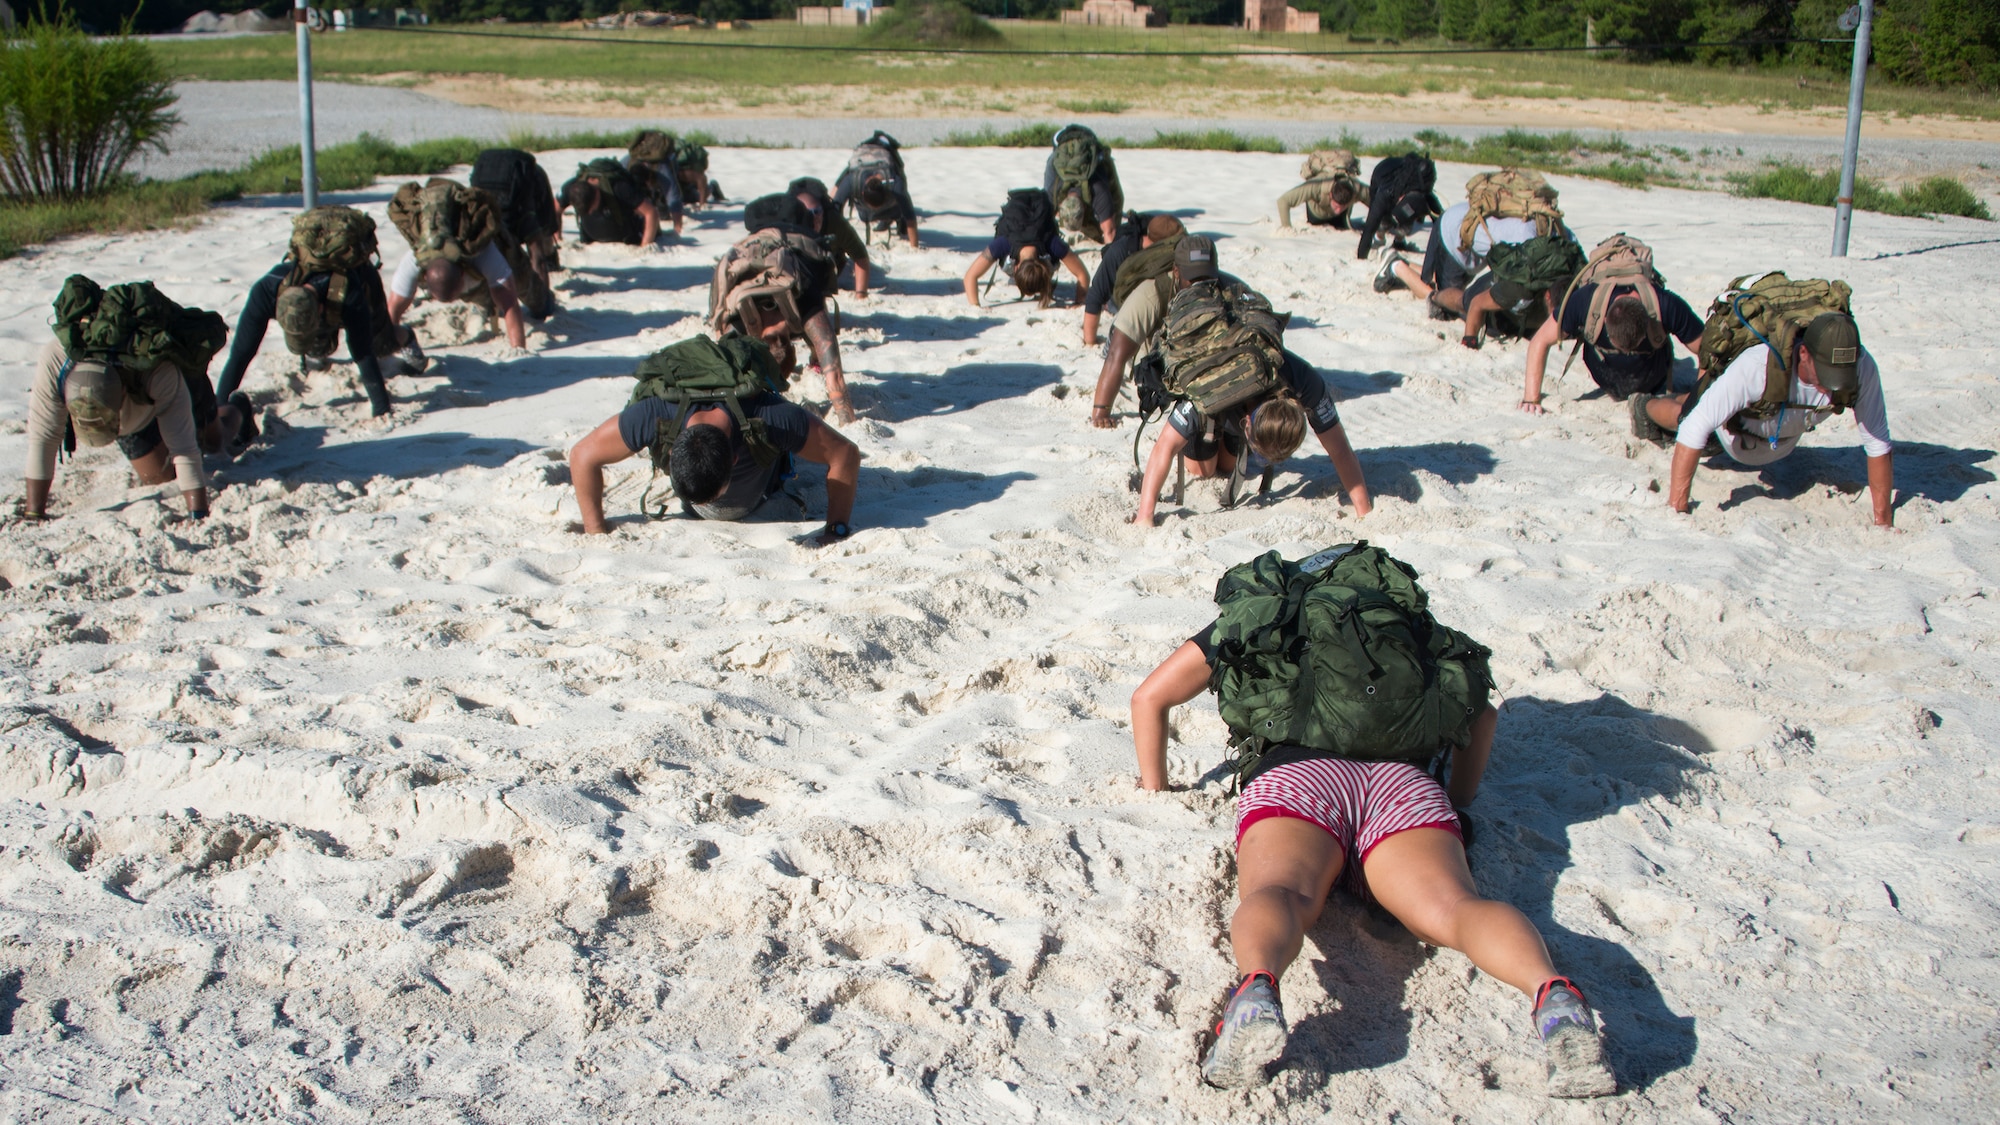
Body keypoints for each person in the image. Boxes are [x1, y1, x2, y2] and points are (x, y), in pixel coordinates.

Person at [1127, 547, 1615, 1097]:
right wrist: (1457, 798)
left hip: (1299, 778)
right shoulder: (1406, 624)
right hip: (1402, 785)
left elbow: (1149, 698)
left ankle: (1259, 986)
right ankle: (1552, 995)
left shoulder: (1264, 613)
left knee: (1282, 890)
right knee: (1456, 910)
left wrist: (1155, 789)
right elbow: (1483, 713)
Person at [1130, 239, 1371, 525]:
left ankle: (1227, 442)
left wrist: (1364, 511)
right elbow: (1164, 448)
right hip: (1212, 405)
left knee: (1229, 464)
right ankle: (1211, 440)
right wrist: (1144, 516)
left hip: (1234, 415)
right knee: (1204, 470)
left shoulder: (1303, 381)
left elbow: (1340, 449)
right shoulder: (1210, 390)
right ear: (1247, 424)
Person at [567, 325, 861, 544]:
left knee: (798, 453)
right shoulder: (654, 415)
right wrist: (595, 529)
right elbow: (582, 456)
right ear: (672, 452)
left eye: (710, 498)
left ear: (733, 459)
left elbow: (846, 454)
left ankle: (769, 343)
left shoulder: (769, 416)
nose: (707, 504)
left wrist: (835, 529)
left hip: (764, 490)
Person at [1637, 311, 1895, 528]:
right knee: (1684, 417)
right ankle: (1642, 406)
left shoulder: (1862, 368)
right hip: (1730, 434)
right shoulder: (1757, 365)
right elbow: (1695, 427)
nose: (1831, 388)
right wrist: (1677, 509)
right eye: (1826, 376)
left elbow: (1878, 444)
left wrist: (1883, 522)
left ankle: (1702, 396)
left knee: (1708, 403)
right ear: (1803, 353)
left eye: (1840, 378)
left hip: (1778, 437)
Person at [23, 278, 230, 523]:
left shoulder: (159, 372)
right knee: (161, 478)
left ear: (121, 396)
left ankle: (238, 409)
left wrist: (198, 514)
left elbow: (183, 447)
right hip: (134, 418)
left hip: (183, 384)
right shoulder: (56, 360)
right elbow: (43, 436)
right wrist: (33, 512)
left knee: (215, 442)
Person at [215, 205, 424, 422]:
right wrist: (219, 409)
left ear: (322, 309)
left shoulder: (349, 293)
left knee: (382, 345)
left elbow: (363, 353)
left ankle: (406, 335)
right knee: (317, 348)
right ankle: (315, 347)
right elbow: (240, 354)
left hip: (363, 282)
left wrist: (382, 410)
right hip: (318, 306)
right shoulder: (265, 292)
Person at [710, 194, 855, 424]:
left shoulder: (741, 320)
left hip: (789, 229)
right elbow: (835, 378)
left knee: (819, 334)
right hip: (765, 228)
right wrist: (846, 419)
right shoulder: (800, 308)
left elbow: (724, 367)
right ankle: (814, 360)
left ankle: (814, 358)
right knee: (819, 336)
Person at [1520, 256, 1705, 413]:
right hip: (1604, 373)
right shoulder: (1585, 301)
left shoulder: (1666, 305)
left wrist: (1700, 398)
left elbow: (1707, 349)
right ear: (1606, 321)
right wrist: (1531, 398)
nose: (1625, 352)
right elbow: (1539, 341)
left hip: (1652, 379)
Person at [385, 178, 529, 352]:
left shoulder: (483, 252)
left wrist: (519, 348)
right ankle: (484, 305)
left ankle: (544, 304)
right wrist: (390, 347)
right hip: (463, 265)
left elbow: (509, 302)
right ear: (425, 278)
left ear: (462, 274)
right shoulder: (415, 259)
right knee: (486, 293)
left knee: (530, 291)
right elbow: (393, 308)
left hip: (496, 242)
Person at [1377, 198, 1550, 321]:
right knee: (1445, 306)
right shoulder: (1527, 246)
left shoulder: (1550, 233)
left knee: (1449, 286)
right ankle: (1396, 267)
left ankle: (1405, 263)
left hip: (1463, 221)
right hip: (1454, 234)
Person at [469, 147, 560, 319]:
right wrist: (543, 303)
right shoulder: (521, 216)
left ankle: (552, 258)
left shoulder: (481, 222)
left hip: (519, 180)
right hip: (516, 188)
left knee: (544, 231)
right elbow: (537, 258)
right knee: (544, 232)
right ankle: (552, 261)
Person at [961, 192, 1090, 310]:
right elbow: (1082, 274)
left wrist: (975, 305)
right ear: (1016, 267)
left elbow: (970, 276)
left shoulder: (1050, 242)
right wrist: (1079, 301)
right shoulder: (1005, 244)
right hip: (1019, 215)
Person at [1082, 212, 1181, 347]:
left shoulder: (1174, 254)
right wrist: (1090, 341)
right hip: (1124, 304)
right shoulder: (1121, 251)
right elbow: (1096, 295)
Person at [832, 131, 919, 249]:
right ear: (862, 193)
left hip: (885, 154)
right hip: (865, 153)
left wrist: (914, 246)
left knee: (901, 206)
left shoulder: (895, 183)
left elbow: (910, 216)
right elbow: (835, 208)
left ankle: (896, 220)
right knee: (844, 191)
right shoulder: (853, 180)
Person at [791, 176, 873, 299]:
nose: (815, 218)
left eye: (818, 211)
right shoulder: (789, 224)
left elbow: (860, 255)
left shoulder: (834, 222)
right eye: (809, 214)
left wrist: (861, 294)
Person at [1353, 151, 1440, 260]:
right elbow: (1369, 228)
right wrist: (1362, 256)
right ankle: (1379, 237)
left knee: (1406, 214)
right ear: (1402, 196)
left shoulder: (1424, 192)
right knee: (1382, 220)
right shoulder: (1385, 194)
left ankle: (1399, 241)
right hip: (1382, 174)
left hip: (1405, 177)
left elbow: (1440, 221)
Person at [1045, 124, 1122, 245]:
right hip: (1060, 154)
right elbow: (1043, 224)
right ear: (1059, 206)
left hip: (1096, 157)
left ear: (1085, 208)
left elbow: (1110, 231)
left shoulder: (1099, 192)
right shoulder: (1052, 192)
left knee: (1114, 214)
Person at [559, 159, 662, 248]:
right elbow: (554, 210)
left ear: (597, 193)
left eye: (592, 209)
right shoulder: (572, 188)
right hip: (591, 239)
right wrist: (558, 237)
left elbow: (651, 212)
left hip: (625, 239)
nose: (591, 213)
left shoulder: (619, 188)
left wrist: (645, 245)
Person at [624, 130, 686, 238]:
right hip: (647, 180)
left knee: (664, 211)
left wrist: (677, 226)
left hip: (674, 172)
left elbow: (673, 196)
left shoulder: (662, 169)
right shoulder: (628, 162)